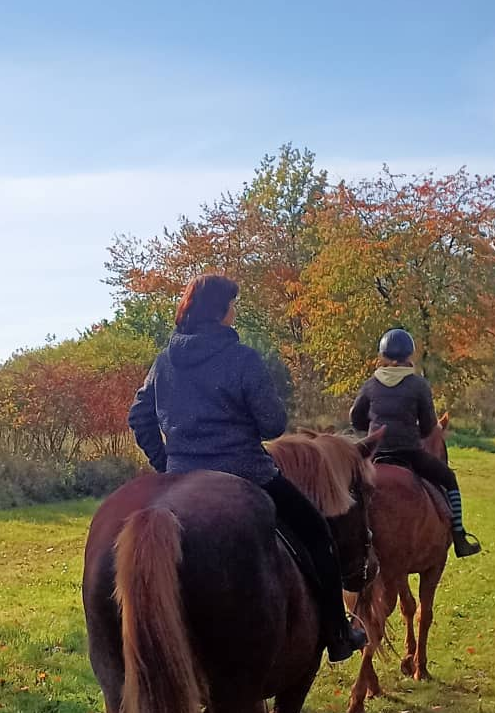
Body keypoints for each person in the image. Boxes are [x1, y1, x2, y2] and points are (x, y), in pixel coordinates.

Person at [127, 273, 368, 663]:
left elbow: (138, 416)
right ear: (222, 311)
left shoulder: (165, 361)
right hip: (247, 473)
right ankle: (338, 633)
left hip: (181, 478)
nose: (235, 312)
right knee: (317, 530)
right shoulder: (242, 358)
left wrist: (167, 464)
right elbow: (272, 424)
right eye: (232, 305)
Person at [349, 329, 482, 557]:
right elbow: (430, 425)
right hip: (409, 451)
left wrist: (370, 430)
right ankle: (459, 536)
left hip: (376, 452)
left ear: (383, 354)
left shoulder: (370, 384)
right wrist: (414, 432)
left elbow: (355, 417)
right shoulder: (418, 384)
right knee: (449, 479)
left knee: (348, 487)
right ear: (409, 354)